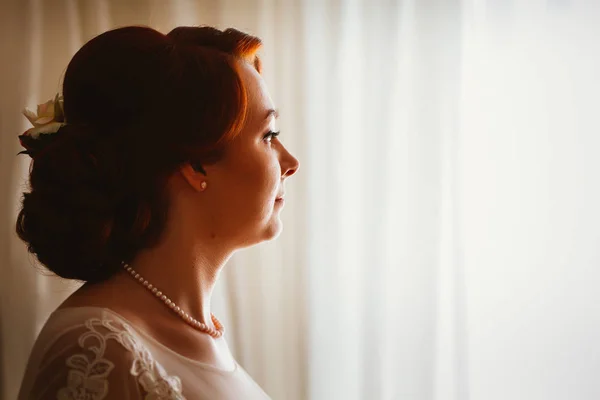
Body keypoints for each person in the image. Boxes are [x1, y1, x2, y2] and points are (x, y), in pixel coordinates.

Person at [15, 25, 299, 400]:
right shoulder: (94, 347)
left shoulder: (202, 331)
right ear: (196, 166)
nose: (290, 162)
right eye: (268, 136)